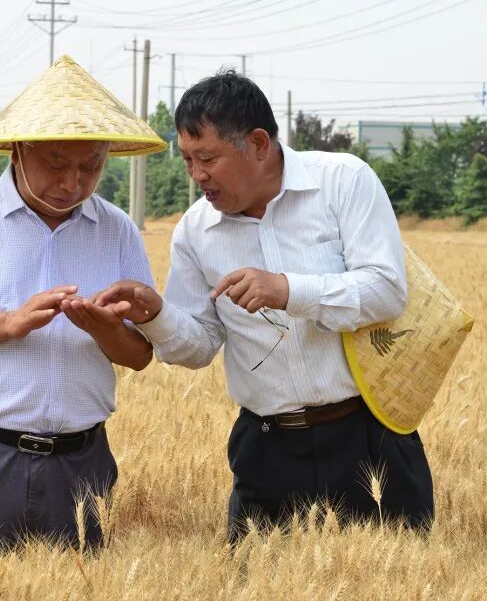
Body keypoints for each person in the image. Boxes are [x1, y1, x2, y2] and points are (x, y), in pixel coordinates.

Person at [94, 70, 434, 540]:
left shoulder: (343, 182)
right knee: (256, 576)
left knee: (393, 574)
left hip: (370, 436)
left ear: (257, 143)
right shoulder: (195, 231)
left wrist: (289, 290)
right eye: (188, 160)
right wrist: (155, 314)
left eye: (207, 158)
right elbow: (198, 347)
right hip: (267, 449)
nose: (196, 175)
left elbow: (386, 291)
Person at [0, 56, 167, 549]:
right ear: (19, 150)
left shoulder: (118, 230)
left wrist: (104, 329)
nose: (73, 182)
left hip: (80, 465)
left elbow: (139, 356)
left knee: (80, 584)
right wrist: (9, 323)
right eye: (57, 164)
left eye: (91, 166)